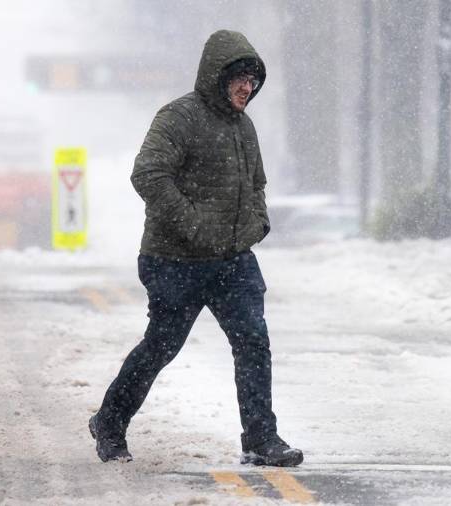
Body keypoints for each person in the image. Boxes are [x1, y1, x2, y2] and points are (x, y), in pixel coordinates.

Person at [89, 30, 303, 467]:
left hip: (233, 261)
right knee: (162, 346)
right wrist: (197, 226)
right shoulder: (178, 118)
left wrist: (257, 222)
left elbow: (256, 183)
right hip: (175, 261)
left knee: (253, 342)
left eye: (253, 81)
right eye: (239, 79)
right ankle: (109, 422)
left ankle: (261, 438)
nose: (247, 88)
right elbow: (148, 175)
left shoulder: (245, 128)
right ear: (217, 76)